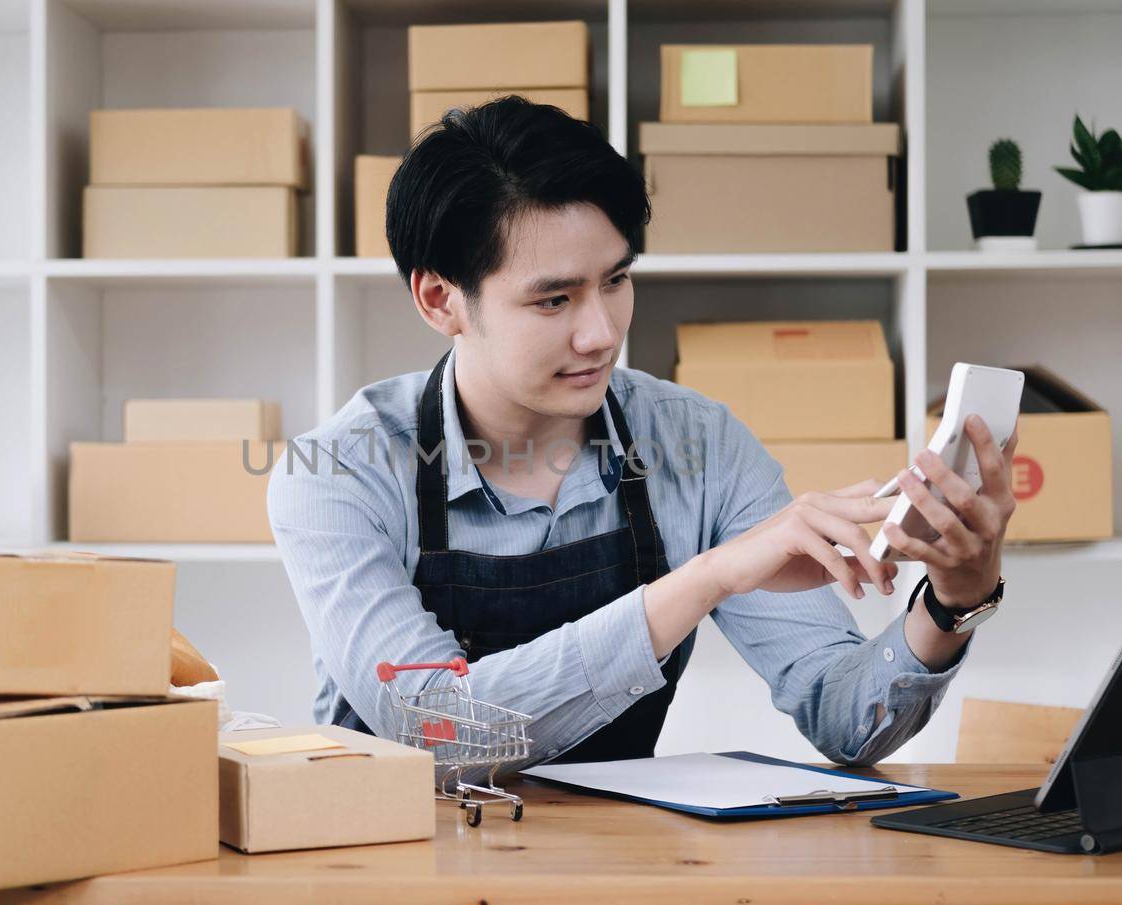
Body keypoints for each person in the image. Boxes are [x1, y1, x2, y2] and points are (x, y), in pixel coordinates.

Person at [267, 97, 1017, 769]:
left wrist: (952, 601)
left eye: (617, 280)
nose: (601, 333)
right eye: (554, 299)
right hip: (395, 868)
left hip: (619, 865)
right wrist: (706, 577)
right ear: (440, 299)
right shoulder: (338, 470)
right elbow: (436, 728)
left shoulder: (699, 443)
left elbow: (844, 716)